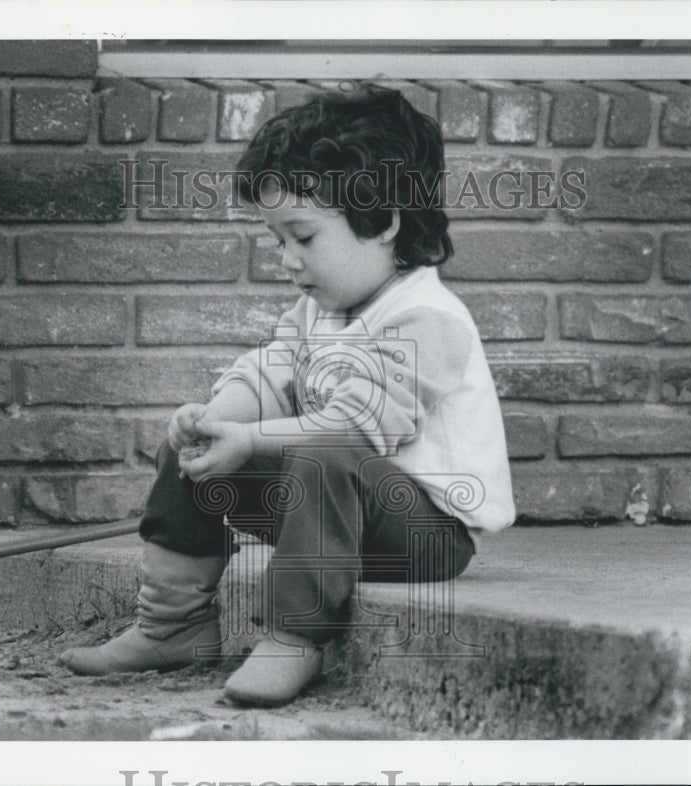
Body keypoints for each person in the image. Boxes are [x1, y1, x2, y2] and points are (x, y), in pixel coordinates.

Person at [59, 85, 515, 706]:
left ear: (382, 221)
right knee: (197, 448)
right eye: (278, 240)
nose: (287, 259)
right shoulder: (319, 309)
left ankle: (295, 637)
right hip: (331, 513)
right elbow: (270, 373)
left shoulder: (427, 318)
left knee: (326, 452)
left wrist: (249, 441)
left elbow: (354, 431)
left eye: (303, 236)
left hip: (425, 531)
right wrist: (219, 421)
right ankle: (172, 624)